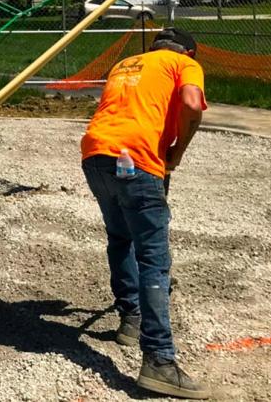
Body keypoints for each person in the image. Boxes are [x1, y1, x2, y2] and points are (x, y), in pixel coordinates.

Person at [80, 26, 209, 399]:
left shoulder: (126, 63)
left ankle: (131, 319)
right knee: (153, 259)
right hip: (136, 159)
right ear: (188, 52)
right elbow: (189, 104)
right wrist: (178, 152)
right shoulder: (182, 63)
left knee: (120, 238)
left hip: (96, 154)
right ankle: (159, 361)